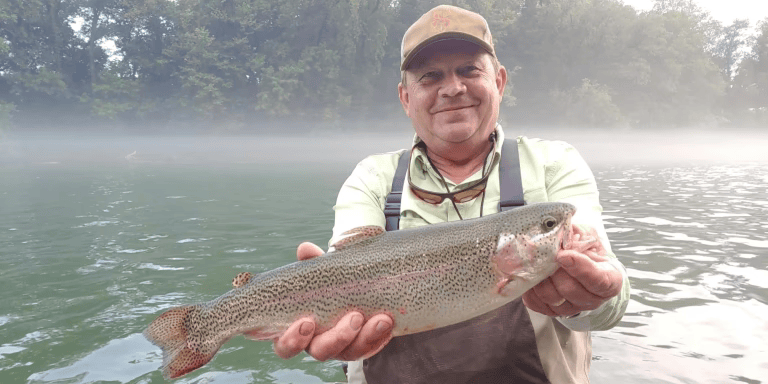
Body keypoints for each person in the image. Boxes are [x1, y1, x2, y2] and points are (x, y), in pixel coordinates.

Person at [269, 4, 630, 383]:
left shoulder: (554, 164)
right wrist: (335, 331)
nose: (453, 88)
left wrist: (594, 298)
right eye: (430, 76)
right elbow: (345, 272)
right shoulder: (371, 179)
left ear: (500, 81)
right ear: (406, 97)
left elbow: (610, 298)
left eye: (469, 70)